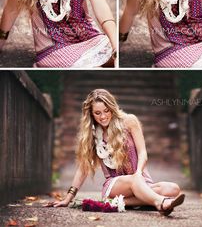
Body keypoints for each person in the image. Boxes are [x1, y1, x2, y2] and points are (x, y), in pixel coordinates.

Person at [46, 88, 185, 214]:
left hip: (140, 178)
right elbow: (83, 169)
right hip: (114, 186)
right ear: (91, 114)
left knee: (173, 189)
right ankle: (160, 202)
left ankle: (121, 202)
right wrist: (68, 198)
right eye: (97, 113)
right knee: (140, 184)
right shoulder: (92, 135)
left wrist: (138, 173)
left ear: (112, 108)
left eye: (106, 111)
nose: (103, 116)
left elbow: (142, 152)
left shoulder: (130, 121)